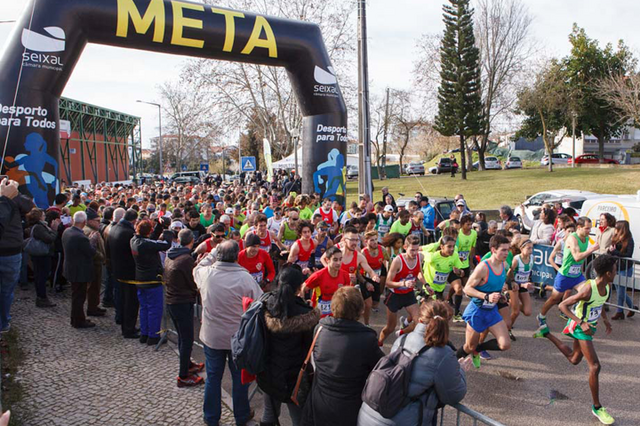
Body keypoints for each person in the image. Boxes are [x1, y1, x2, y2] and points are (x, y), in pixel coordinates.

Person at [534, 255, 616, 425]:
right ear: (608, 273)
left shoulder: (607, 286)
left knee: (574, 359)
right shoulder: (587, 289)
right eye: (615, 270)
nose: (617, 272)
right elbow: (562, 305)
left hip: (589, 327)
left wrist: (605, 320)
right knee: (595, 366)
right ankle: (597, 407)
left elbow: (599, 304)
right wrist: (581, 322)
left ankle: (545, 333)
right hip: (580, 327)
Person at [358, 300, 467, 426]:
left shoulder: (402, 340)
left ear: (420, 320)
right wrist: (460, 370)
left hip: (369, 414)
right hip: (402, 420)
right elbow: (454, 395)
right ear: (446, 324)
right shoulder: (443, 354)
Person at [193, 240, 262, 426]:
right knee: (239, 379)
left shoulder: (206, 274)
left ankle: (211, 417)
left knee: (213, 377)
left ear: (219, 255)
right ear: (236, 256)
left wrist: (212, 253)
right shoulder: (245, 278)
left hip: (213, 336)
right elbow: (259, 303)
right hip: (237, 338)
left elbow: (197, 267)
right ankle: (241, 416)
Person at [302, 286, 384, 426]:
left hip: (319, 406)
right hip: (349, 409)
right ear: (361, 310)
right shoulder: (367, 339)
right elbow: (381, 368)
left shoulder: (320, 329)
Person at [258, 267, 321, 426]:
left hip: (269, 372)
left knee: (269, 414)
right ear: (299, 288)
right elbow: (311, 348)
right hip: (296, 378)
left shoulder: (266, 305)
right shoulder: (307, 314)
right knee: (299, 419)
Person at [456, 235, 512, 369]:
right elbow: (467, 289)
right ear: (493, 250)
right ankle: (450, 361)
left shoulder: (504, 265)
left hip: (491, 311)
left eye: (508, 250)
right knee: (469, 346)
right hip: (477, 311)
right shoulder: (483, 267)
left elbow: (495, 286)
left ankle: (479, 349)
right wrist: (486, 296)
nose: (506, 253)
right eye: (503, 250)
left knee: (505, 344)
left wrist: (501, 296)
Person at [536, 217, 600, 330]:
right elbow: (577, 257)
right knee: (554, 299)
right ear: (579, 227)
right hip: (565, 275)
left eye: (590, 228)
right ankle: (541, 316)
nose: (589, 231)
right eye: (587, 228)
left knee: (587, 293)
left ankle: (575, 314)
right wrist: (591, 250)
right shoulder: (572, 239)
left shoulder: (586, 238)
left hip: (577, 276)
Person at [164, 228, 204, 387]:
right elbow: (192, 280)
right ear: (192, 241)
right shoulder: (186, 259)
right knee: (186, 339)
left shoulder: (170, 254)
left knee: (183, 336)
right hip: (181, 301)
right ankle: (183, 375)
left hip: (172, 300)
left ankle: (187, 364)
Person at [379, 235, 429, 345]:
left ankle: (402, 333)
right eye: (412, 250)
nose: (415, 253)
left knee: (419, 322)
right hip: (394, 295)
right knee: (390, 327)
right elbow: (387, 282)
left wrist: (426, 284)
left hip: (408, 294)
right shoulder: (398, 261)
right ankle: (379, 343)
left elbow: (419, 272)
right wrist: (403, 283)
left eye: (417, 250)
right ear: (405, 247)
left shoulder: (420, 257)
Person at [0, 179, 34, 333]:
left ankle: (4, 322)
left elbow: (29, 206)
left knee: (7, 290)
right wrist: (11, 195)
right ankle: (3, 322)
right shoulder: (10, 198)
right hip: (11, 249)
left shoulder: (12, 198)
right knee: (6, 290)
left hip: (11, 250)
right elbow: (28, 205)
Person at [130, 219, 171, 345]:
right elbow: (166, 244)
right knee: (155, 309)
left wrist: (159, 226)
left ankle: (145, 333)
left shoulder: (134, 240)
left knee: (144, 308)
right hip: (152, 279)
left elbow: (150, 240)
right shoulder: (146, 244)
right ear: (149, 231)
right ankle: (153, 336)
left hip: (140, 278)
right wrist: (167, 231)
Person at [62, 211, 97, 329]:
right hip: (79, 271)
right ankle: (78, 321)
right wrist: (92, 241)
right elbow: (91, 252)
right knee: (79, 297)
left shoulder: (67, 231)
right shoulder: (81, 237)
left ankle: (77, 318)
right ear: (84, 222)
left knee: (76, 295)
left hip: (71, 268)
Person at [108, 208, 141, 338]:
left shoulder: (114, 228)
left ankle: (123, 322)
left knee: (122, 300)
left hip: (117, 270)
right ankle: (128, 329)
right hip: (129, 273)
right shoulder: (128, 233)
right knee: (130, 302)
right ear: (134, 221)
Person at [303, 246, 351, 317]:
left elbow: (347, 295)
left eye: (340, 259)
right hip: (319, 316)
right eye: (335, 260)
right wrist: (304, 304)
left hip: (336, 314)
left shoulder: (345, 275)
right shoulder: (318, 275)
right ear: (327, 260)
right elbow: (302, 289)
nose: (338, 263)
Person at [26, 208, 58, 307]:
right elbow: (49, 239)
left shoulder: (40, 226)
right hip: (41, 255)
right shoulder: (39, 227)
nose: (45, 216)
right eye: (43, 215)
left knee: (40, 276)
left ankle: (42, 297)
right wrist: (54, 230)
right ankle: (42, 298)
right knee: (41, 277)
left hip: (41, 255)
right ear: (39, 217)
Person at [609, 220, 637, 320]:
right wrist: (610, 251)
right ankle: (630, 308)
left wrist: (615, 252)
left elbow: (628, 255)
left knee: (621, 291)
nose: (615, 229)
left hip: (625, 268)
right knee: (619, 290)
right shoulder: (615, 238)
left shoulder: (629, 240)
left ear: (622, 229)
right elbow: (612, 252)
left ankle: (620, 311)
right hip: (616, 267)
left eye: (617, 227)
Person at [84, 208, 107, 317]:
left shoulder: (92, 230)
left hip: (96, 264)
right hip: (93, 263)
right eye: (97, 221)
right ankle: (92, 308)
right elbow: (91, 250)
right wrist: (101, 256)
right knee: (93, 287)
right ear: (89, 221)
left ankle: (94, 305)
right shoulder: (88, 231)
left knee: (96, 286)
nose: (99, 223)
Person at [507, 239, 534, 333]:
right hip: (514, 285)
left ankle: (511, 301)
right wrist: (515, 282)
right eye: (528, 248)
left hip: (523, 286)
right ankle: (507, 329)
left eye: (532, 248)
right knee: (516, 312)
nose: (531, 250)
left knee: (528, 312)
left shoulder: (532, 258)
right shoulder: (516, 259)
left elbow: (529, 272)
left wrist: (529, 282)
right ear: (521, 248)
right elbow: (508, 275)